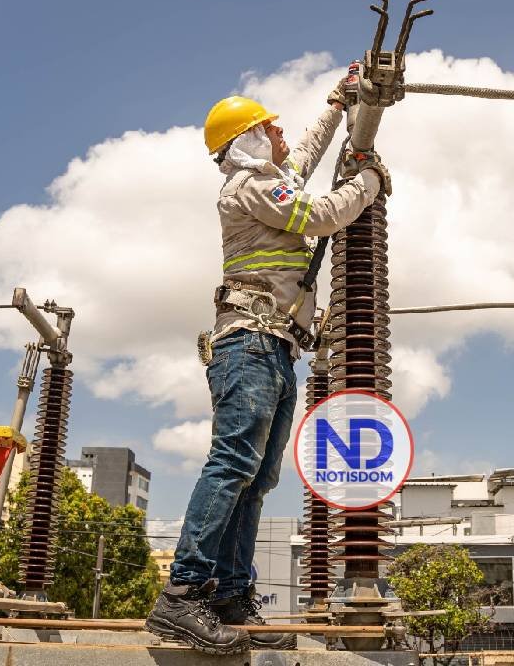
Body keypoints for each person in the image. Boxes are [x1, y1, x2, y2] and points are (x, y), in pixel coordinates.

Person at [143, 69, 391, 655]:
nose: (280, 133)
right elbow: (326, 215)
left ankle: (228, 594)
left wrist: (335, 104)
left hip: (273, 344)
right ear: (248, 140)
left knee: (257, 479)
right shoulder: (249, 189)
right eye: (268, 127)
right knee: (233, 464)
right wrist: (370, 181)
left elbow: (303, 154)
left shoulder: (267, 181)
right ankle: (182, 594)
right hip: (248, 343)